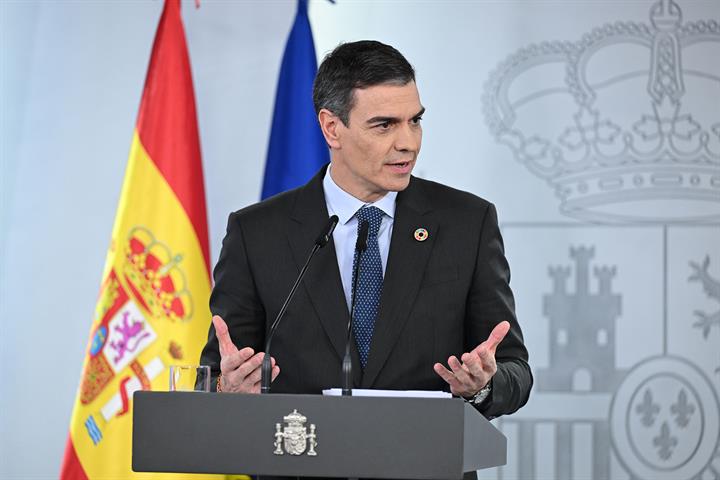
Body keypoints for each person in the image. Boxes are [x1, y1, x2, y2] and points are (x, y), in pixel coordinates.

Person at [200, 39, 531, 429]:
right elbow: (213, 379)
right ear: (332, 128)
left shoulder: (467, 223)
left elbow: (515, 371)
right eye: (385, 125)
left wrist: (483, 385)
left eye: (415, 120)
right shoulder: (256, 233)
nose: (407, 142)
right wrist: (226, 387)